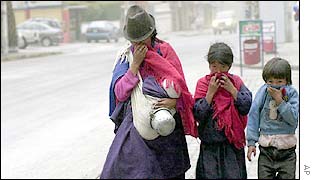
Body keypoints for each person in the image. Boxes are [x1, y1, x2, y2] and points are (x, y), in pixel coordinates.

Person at [101, 5, 197, 179]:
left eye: (142, 40)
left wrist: (174, 102)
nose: (138, 45)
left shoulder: (165, 51)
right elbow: (120, 93)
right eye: (134, 41)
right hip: (139, 129)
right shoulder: (126, 57)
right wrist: (135, 65)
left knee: (172, 172)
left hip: (168, 129)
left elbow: (180, 87)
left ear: (151, 35)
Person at [193, 42, 252, 179]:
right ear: (209, 65)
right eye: (214, 66)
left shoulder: (236, 82)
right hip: (209, 147)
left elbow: (246, 106)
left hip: (232, 146)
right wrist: (210, 94)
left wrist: (232, 90)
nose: (218, 72)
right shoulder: (203, 84)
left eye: (223, 67)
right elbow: (198, 114)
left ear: (230, 66)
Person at [246, 57, 299, 179]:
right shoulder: (263, 92)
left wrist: (280, 101)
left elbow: (293, 119)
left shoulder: (291, 94)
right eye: (270, 81)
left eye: (279, 81)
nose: (274, 85)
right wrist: (251, 142)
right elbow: (254, 115)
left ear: (287, 80)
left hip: (287, 150)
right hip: (266, 150)